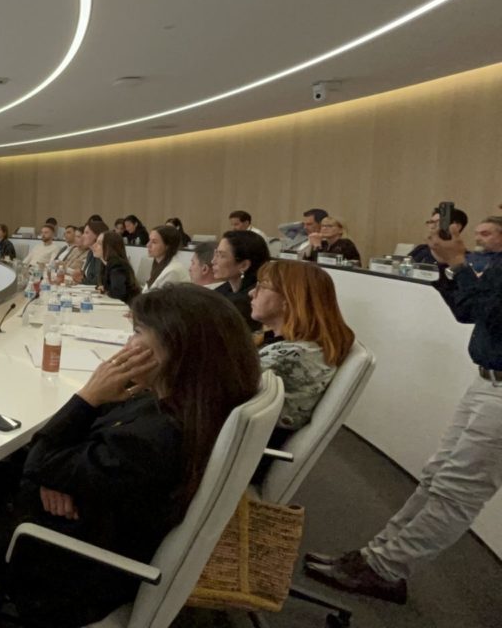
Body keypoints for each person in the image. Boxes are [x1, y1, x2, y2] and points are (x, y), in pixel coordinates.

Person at [0, 285, 260, 626]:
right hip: (88, 520)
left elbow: (40, 459)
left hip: (65, 563)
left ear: (175, 349)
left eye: (137, 332)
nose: (127, 344)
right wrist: (58, 474)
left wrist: (88, 395)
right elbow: (62, 453)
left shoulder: (154, 439)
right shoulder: (175, 405)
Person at [304, 216, 502, 604]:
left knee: (457, 492)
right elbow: (468, 310)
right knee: (436, 478)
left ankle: (385, 568)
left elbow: (489, 312)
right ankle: (376, 556)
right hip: (486, 382)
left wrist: (458, 263)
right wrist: (446, 266)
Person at [248, 261, 355, 445]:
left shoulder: (292, 356)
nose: (252, 293)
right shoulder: (293, 344)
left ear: (289, 299)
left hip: (241, 449)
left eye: (262, 287)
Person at [211, 230, 272, 331]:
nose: (213, 261)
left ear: (244, 265)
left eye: (222, 256)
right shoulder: (222, 290)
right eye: (216, 254)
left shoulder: (249, 303)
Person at [94, 230, 140, 303]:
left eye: (99, 243)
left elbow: (118, 292)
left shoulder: (117, 264)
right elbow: (103, 285)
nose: (94, 245)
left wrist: (106, 290)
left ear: (109, 247)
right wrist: (102, 288)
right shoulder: (105, 263)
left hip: (127, 305)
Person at [143, 225, 188, 291]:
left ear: (168, 246)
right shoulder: (158, 263)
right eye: (149, 240)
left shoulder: (173, 271)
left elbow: (157, 296)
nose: (148, 245)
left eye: (154, 242)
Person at [79, 220, 109, 286]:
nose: (83, 236)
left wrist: (80, 280)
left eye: (86, 233)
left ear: (97, 235)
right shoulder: (90, 252)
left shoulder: (103, 254)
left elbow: (98, 281)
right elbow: (86, 276)